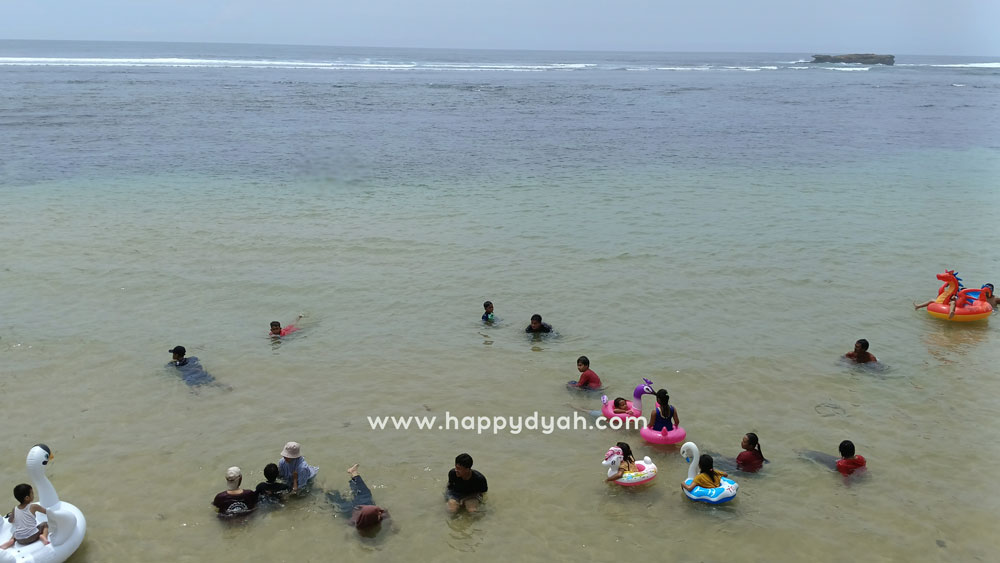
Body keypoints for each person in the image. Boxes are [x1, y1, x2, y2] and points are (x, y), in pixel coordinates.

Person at [326, 464, 390, 532]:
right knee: (364, 491)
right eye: (378, 513)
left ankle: (326, 489)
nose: (380, 513)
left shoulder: (356, 520)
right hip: (362, 503)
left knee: (336, 499)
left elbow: (348, 523)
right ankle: (353, 472)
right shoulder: (359, 521)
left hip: (352, 508)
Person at [1, 484, 49, 549]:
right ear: (27, 498)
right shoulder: (34, 506)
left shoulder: (15, 509)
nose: (33, 494)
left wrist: (14, 518)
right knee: (45, 524)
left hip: (19, 540)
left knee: (16, 531)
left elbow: (10, 520)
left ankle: (11, 540)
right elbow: (46, 512)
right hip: (33, 536)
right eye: (32, 493)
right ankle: (44, 536)